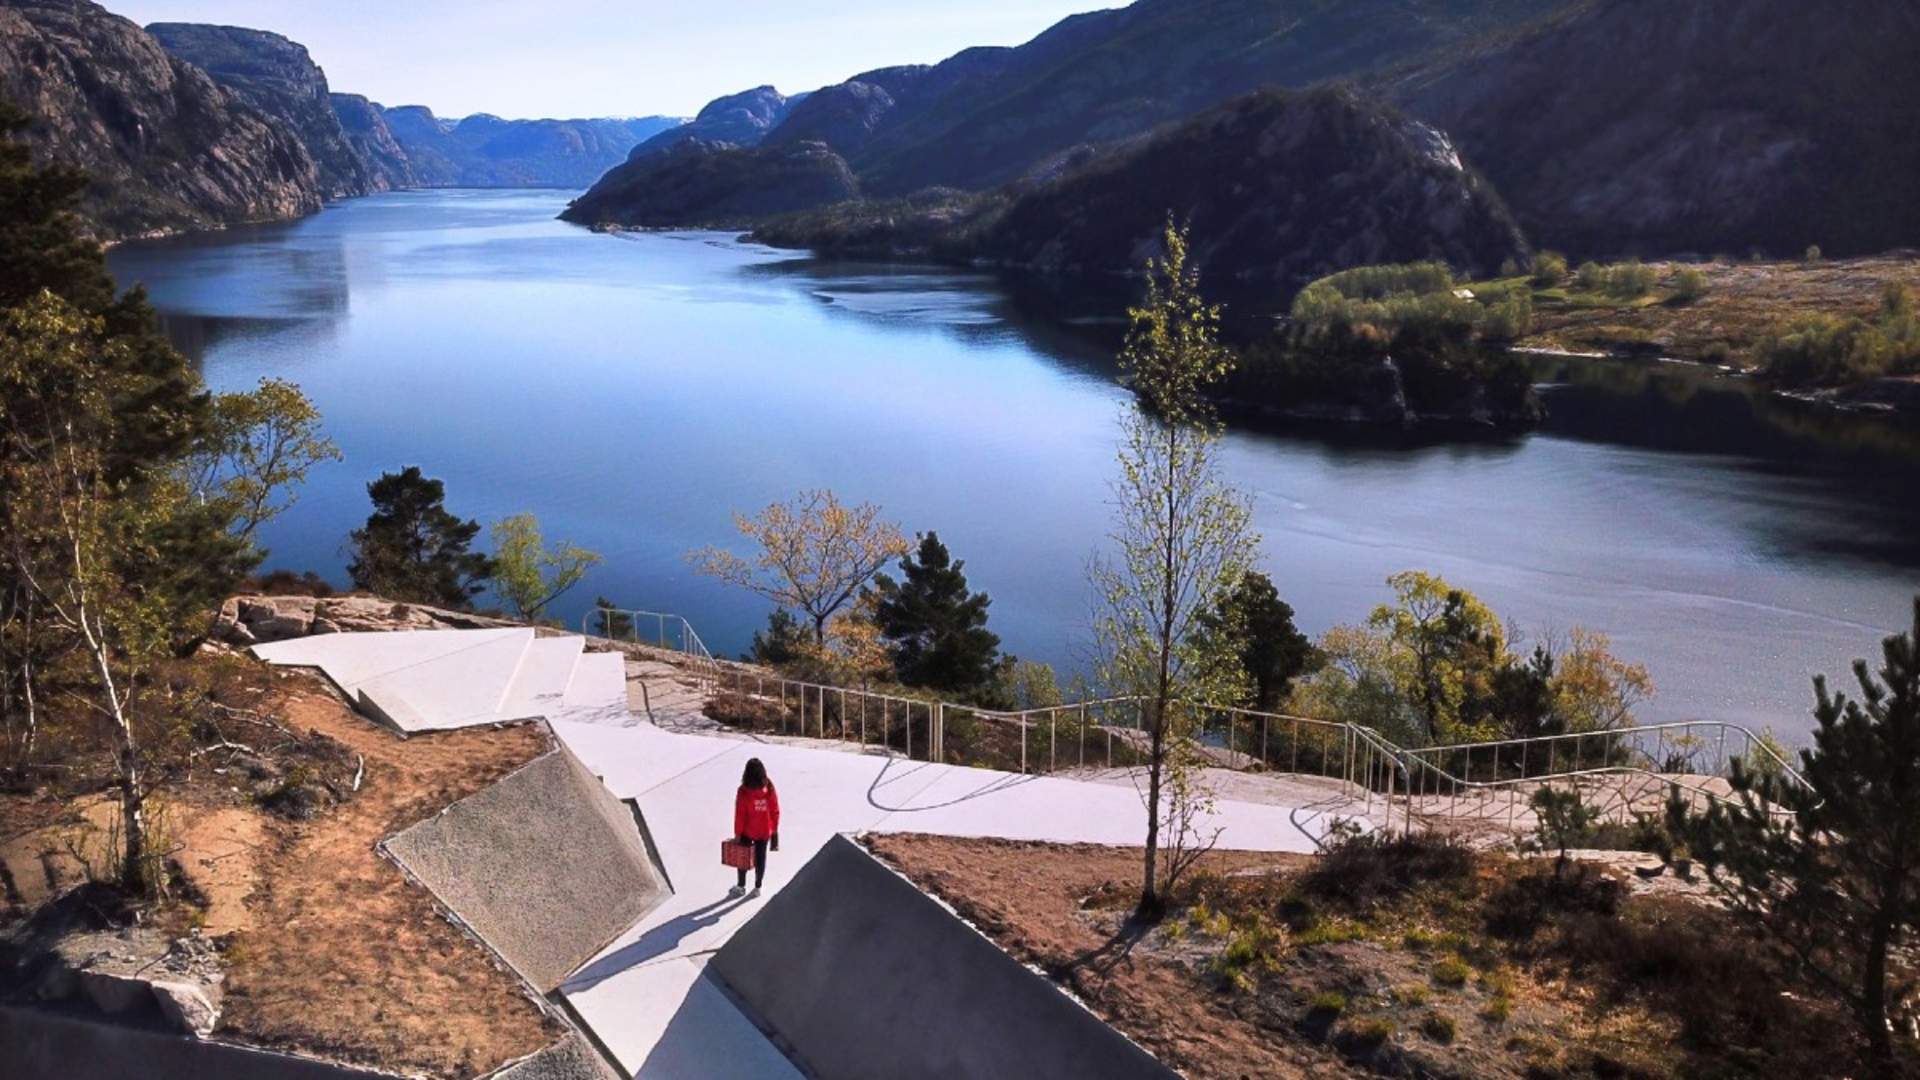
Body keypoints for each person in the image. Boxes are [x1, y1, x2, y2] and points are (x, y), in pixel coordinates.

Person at [729, 757, 779, 898]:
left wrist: (737, 834)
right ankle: (758, 887)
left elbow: (740, 815)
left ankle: (741, 886)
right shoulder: (769, 787)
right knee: (760, 859)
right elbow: (775, 810)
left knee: (743, 858)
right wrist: (774, 830)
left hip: (747, 831)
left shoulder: (743, 791)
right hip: (764, 831)